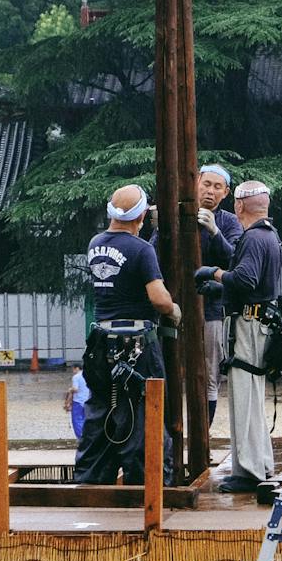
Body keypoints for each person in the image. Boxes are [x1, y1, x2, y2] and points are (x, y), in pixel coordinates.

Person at [76, 184, 180, 484]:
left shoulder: (96, 243)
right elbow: (158, 299)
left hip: (100, 345)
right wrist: (173, 309)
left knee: (102, 410)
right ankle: (147, 485)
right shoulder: (142, 250)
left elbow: (123, 259)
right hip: (136, 346)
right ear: (144, 215)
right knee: (142, 415)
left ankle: (92, 482)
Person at [195, 179, 282, 493]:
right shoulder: (270, 236)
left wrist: (213, 273)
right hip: (260, 322)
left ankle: (248, 472)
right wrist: (222, 287)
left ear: (239, 206)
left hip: (249, 325)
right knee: (252, 398)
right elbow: (256, 284)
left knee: (245, 397)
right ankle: (259, 464)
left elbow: (245, 280)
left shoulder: (252, 238)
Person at [194, 164, 243, 425]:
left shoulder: (228, 221)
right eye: (206, 184)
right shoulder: (180, 214)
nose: (210, 191)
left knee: (209, 375)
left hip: (212, 309)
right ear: (197, 182)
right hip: (176, 305)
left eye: (217, 187)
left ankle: (204, 437)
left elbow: (236, 259)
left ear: (225, 193)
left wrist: (215, 231)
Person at [64, 366, 89, 441]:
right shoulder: (88, 375)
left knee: (77, 420)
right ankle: (87, 437)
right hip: (88, 401)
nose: (73, 371)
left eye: (73, 369)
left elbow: (75, 389)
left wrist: (70, 390)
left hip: (78, 401)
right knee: (86, 420)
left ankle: (81, 438)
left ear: (77, 368)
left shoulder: (76, 377)